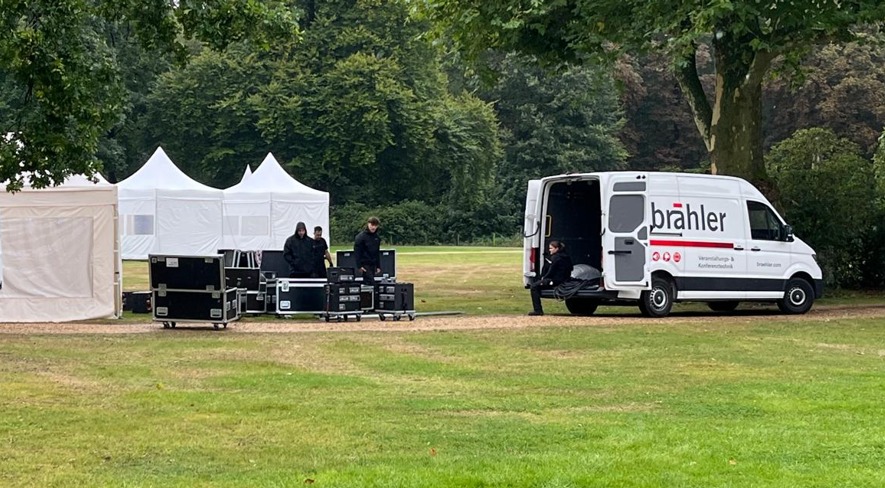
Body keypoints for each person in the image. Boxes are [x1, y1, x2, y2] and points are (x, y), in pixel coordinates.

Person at [529, 240, 573, 316]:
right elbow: (571, 268)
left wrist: (543, 279)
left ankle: (538, 310)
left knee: (534, 287)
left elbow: (551, 271)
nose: (549, 250)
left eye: (551, 248)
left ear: (557, 249)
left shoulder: (555, 258)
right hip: (565, 280)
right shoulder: (566, 257)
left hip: (556, 281)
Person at [354, 216, 382, 284]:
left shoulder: (377, 238)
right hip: (365, 264)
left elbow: (377, 252)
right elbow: (357, 252)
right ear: (368, 224)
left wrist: (378, 266)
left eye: (375, 225)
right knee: (371, 283)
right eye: (372, 225)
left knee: (369, 284)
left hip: (373, 264)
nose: (373, 227)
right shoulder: (361, 237)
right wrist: (359, 266)